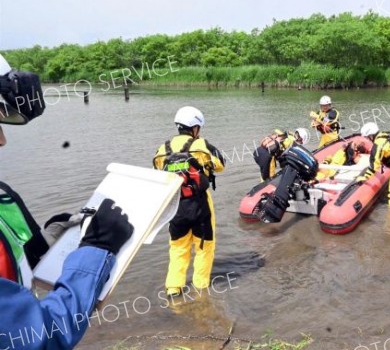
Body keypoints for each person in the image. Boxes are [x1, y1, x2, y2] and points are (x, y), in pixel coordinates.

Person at [0, 53, 134, 350]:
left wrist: (46, 243)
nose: (2, 140)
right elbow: (40, 337)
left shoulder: (3, 199)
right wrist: (97, 251)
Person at [152, 106, 225, 296]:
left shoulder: (162, 150)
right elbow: (221, 165)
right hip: (200, 206)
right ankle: (201, 290)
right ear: (195, 128)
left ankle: (174, 289)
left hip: (175, 207)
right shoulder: (201, 146)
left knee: (178, 248)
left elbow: (158, 172)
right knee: (204, 247)